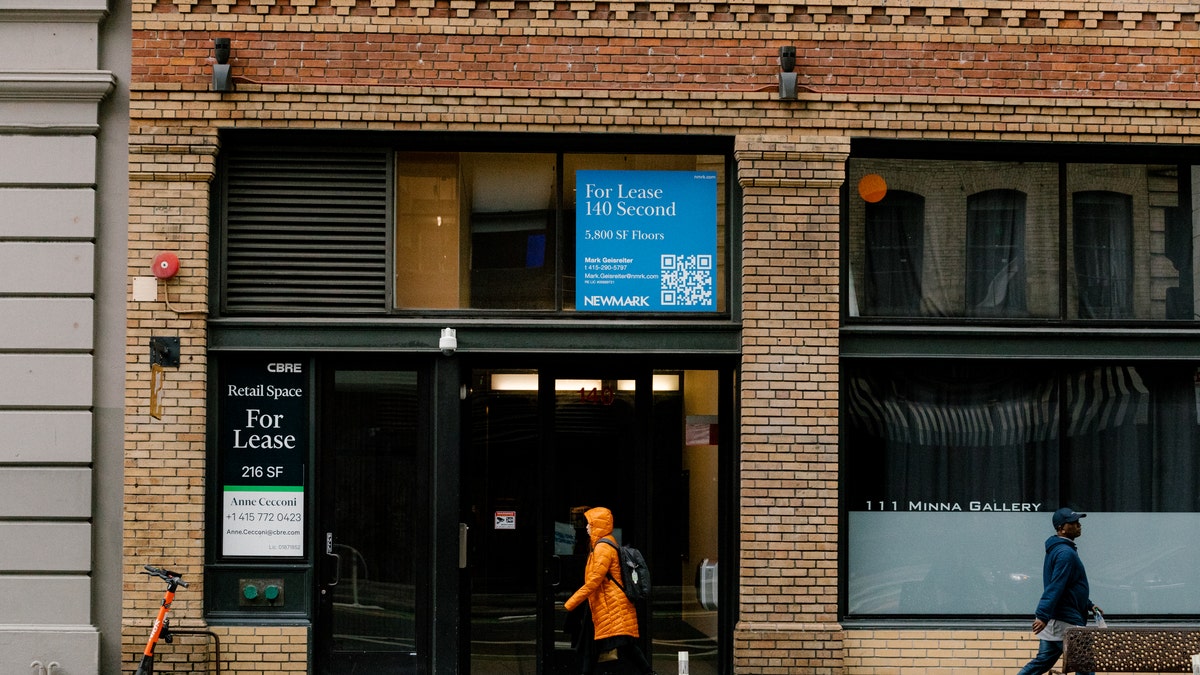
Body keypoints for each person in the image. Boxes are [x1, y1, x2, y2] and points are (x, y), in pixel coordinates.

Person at [563, 506, 654, 675]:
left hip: (611, 606)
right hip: (603, 605)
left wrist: (570, 603)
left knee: (623, 645)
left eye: (590, 523)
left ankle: (649, 672)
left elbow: (594, 581)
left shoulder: (602, 548)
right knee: (594, 647)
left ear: (598, 525)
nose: (587, 527)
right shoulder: (603, 544)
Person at [1017, 507, 1102, 675]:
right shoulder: (1065, 553)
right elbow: (1056, 585)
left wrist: (1088, 604)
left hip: (1058, 617)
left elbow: (1070, 585)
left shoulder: (1061, 549)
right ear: (1061, 528)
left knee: (1042, 662)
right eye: (1074, 523)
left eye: (1078, 522)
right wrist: (1042, 615)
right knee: (1085, 665)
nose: (1079, 525)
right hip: (1065, 619)